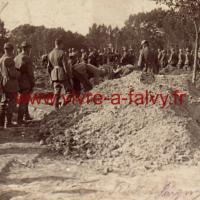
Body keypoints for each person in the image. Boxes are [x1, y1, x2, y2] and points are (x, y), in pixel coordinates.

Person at [47, 38, 72, 110]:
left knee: (56, 93)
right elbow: (65, 66)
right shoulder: (62, 53)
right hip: (62, 74)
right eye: (62, 44)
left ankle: (56, 108)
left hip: (54, 75)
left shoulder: (50, 53)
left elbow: (48, 67)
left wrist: (50, 77)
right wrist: (69, 76)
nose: (62, 46)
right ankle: (63, 106)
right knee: (69, 91)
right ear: (60, 44)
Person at [0, 42, 20, 128]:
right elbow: (13, 74)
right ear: (11, 50)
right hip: (10, 83)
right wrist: (19, 73)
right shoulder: (9, 60)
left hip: (4, 82)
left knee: (3, 102)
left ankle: (1, 123)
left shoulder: (1, 59)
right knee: (11, 102)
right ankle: (8, 123)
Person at [14, 41, 35, 124]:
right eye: (29, 48)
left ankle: (26, 116)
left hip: (18, 82)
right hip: (25, 81)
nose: (30, 50)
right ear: (27, 48)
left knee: (23, 99)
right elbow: (30, 73)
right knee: (24, 100)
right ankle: (20, 119)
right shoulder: (27, 58)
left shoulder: (16, 58)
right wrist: (32, 82)